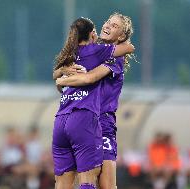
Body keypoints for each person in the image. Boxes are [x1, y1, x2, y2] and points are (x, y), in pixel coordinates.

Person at [52, 17, 134, 189]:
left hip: (102, 123)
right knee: (77, 180)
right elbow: (59, 71)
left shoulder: (113, 58)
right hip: (85, 120)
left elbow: (90, 78)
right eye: (108, 22)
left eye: (115, 26)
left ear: (120, 36)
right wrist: (62, 71)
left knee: (106, 186)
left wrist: (62, 80)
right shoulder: (89, 52)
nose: (107, 26)